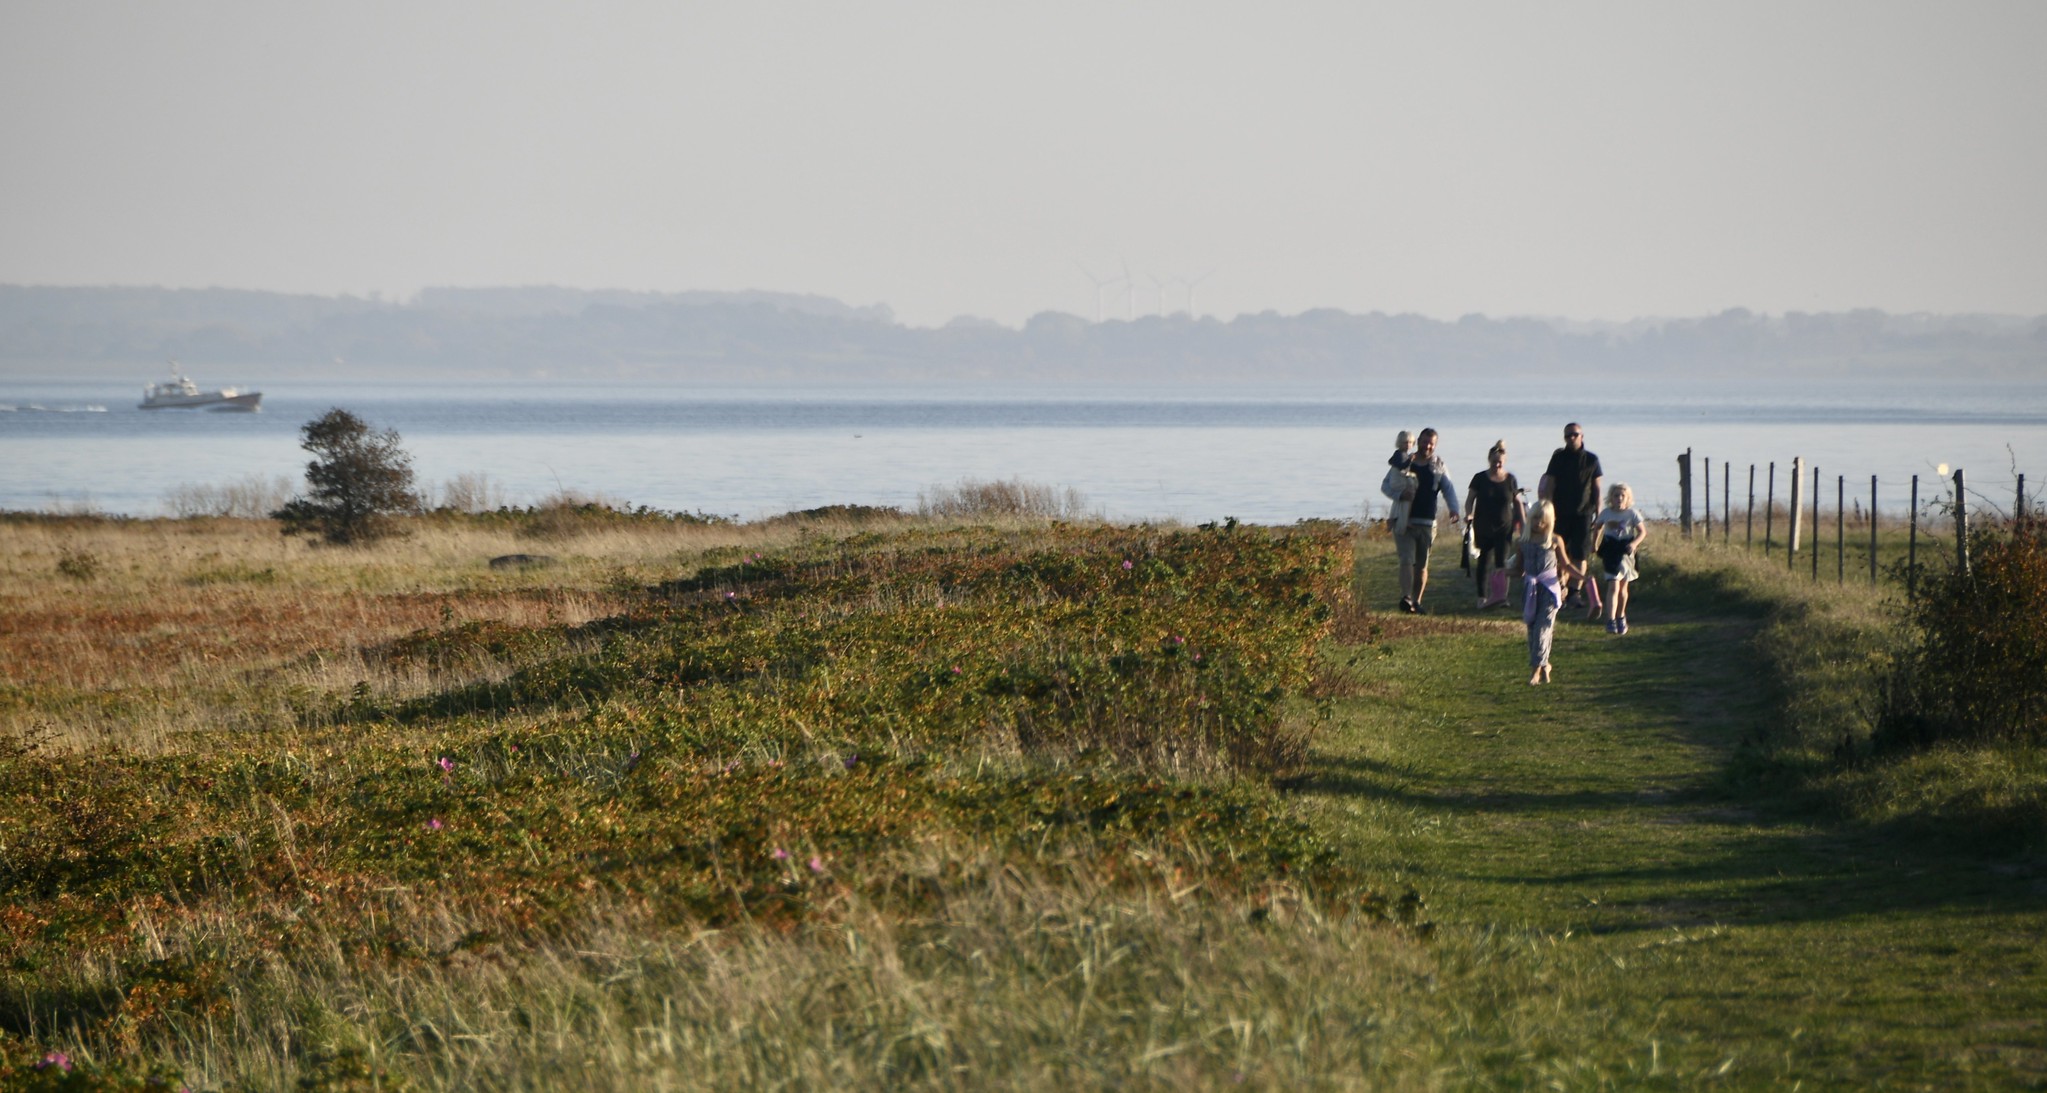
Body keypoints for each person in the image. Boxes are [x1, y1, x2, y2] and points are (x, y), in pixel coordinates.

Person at [1509, 499, 1585, 685]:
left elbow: (1566, 564)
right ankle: (1544, 665)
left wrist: (1582, 578)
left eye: (1543, 520)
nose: (1538, 524)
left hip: (1550, 589)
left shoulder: (1554, 540)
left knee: (1543, 628)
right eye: (1535, 519)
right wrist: (1502, 572)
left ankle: (1535, 670)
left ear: (1549, 521)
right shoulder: (1523, 541)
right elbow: (1519, 569)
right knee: (1532, 629)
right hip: (1530, 589)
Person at [1539, 423, 1604, 612]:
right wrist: (1548, 509)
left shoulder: (1591, 460)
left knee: (1580, 554)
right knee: (1557, 553)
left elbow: (1597, 488)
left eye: (1575, 435)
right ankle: (1559, 588)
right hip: (1559, 513)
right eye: (1568, 436)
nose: (1571, 438)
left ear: (1582, 436)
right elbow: (1549, 484)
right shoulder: (1558, 457)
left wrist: (1599, 512)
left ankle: (1575, 592)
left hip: (1583, 513)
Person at [1398, 427, 1461, 614]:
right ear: (1418, 441)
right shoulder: (1406, 462)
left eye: (1431, 443)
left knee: (1422, 566)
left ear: (1435, 445)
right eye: (1424, 442)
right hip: (1407, 521)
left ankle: (1416, 601)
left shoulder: (1438, 466)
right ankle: (1406, 597)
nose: (1427, 446)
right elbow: (1389, 484)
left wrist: (1454, 509)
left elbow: (1448, 489)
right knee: (1406, 561)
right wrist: (1399, 498)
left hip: (1427, 522)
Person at [1464, 439, 1525, 609]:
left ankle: (1500, 597)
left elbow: (1518, 502)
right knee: (1484, 561)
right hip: (1483, 526)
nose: (1497, 464)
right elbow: (1470, 500)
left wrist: (1523, 523)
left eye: (1500, 462)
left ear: (1504, 461)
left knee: (1501, 562)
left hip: (1504, 527)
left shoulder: (1510, 479)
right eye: (1494, 461)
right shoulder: (1479, 478)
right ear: (1489, 460)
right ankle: (1482, 597)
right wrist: (1468, 514)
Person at [1593, 482, 1648, 634]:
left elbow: (1642, 532)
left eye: (1623, 496)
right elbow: (1597, 528)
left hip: (1626, 551)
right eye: (1616, 495)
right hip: (1610, 550)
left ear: (1628, 498)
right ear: (1611, 497)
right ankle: (1610, 620)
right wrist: (1594, 545)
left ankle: (1620, 615)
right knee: (1613, 585)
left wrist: (1634, 543)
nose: (1619, 498)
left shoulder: (1632, 514)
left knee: (1623, 586)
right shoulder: (1606, 513)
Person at [1378, 430, 1418, 610]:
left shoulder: (1413, 461)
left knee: (1417, 559)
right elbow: (1386, 486)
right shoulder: (1398, 462)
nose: (1407, 445)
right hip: (1401, 511)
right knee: (1406, 558)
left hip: (1418, 514)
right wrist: (1400, 494)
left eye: (1410, 442)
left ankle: (1414, 596)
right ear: (1399, 443)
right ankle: (1406, 595)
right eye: (1405, 442)